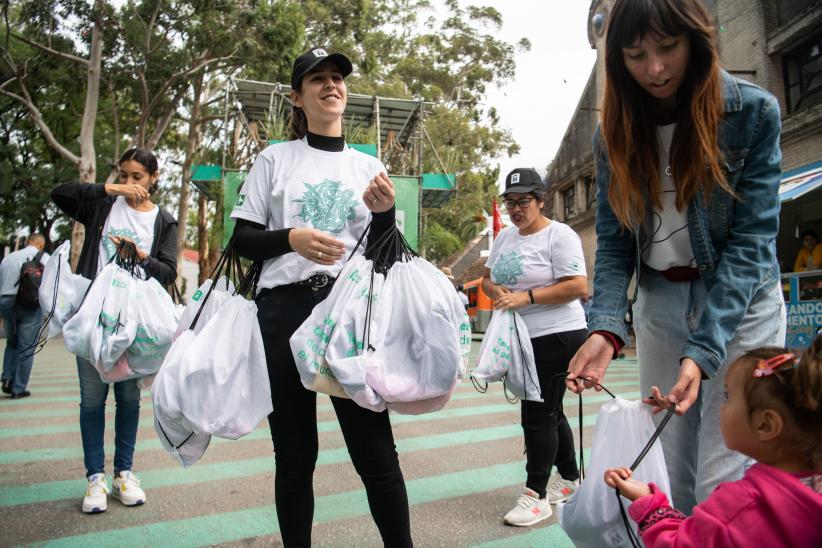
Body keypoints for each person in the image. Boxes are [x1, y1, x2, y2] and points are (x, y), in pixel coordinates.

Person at [566, 0, 786, 514]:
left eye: (668, 48)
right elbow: (615, 240)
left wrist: (705, 349)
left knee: (724, 472)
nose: (656, 69)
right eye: (637, 54)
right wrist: (604, 328)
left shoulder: (752, 112)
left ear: (696, 40)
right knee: (665, 465)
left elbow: (753, 243)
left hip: (742, 303)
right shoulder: (612, 134)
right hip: (660, 300)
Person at [230, 47, 412, 547]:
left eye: (337, 78)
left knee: (376, 454)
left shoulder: (367, 164)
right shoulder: (273, 159)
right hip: (283, 313)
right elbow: (242, 241)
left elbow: (384, 255)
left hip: (347, 316)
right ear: (297, 97)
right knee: (293, 457)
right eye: (318, 80)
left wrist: (386, 215)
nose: (331, 85)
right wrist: (291, 238)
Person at [52, 148, 178, 514]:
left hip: (137, 323)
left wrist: (142, 256)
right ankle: (95, 477)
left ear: (154, 178)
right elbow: (60, 194)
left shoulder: (163, 220)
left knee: (128, 399)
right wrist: (112, 190)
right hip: (95, 317)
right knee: (92, 400)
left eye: (137, 177)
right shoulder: (104, 207)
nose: (130, 183)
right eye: (124, 175)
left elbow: (169, 272)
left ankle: (124, 472)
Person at [604, 339, 822, 547]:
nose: (721, 406)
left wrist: (650, 506)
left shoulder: (740, 506)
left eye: (728, 396)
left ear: (765, 424)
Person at [482, 167, 588, 526]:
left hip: (559, 334)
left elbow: (577, 286)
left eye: (523, 201)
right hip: (521, 336)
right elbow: (487, 278)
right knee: (550, 410)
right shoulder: (505, 238)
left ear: (541, 200)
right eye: (510, 202)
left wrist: (526, 297)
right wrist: (496, 292)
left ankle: (536, 495)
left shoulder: (560, 236)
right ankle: (572, 480)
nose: (515, 209)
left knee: (537, 413)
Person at [0, 233, 50, 398]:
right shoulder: (43, 258)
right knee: (26, 347)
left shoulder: (8, 258)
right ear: (40, 245)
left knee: (12, 341)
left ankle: (7, 379)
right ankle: (18, 388)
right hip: (29, 304)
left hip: (6, 301)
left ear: (27, 242)